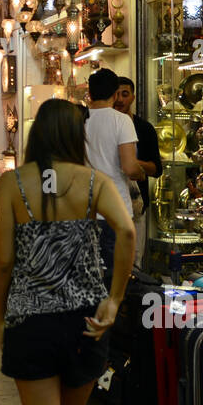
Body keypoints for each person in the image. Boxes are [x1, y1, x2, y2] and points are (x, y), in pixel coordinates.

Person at [0, 97, 134, 405]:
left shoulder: (11, 184)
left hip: (30, 321)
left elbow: (4, 261)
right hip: (85, 322)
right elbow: (126, 230)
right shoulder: (94, 181)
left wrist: (3, 317)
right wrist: (115, 298)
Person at [83, 68, 143, 279]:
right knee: (115, 276)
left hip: (84, 209)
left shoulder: (79, 119)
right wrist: (141, 172)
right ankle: (112, 313)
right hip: (115, 209)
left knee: (88, 275)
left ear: (89, 94)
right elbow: (129, 167)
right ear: (116, 94)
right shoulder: (121, 121)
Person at [115, 76, 162, 265]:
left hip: (136, 206)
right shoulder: (108, 126)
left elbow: (156, 169)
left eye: (124, 94)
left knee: (134, 260)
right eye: (116, 94)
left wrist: (132, 163)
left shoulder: (145, 129)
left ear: (133, 97)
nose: (119, 99)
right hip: (110, 206)